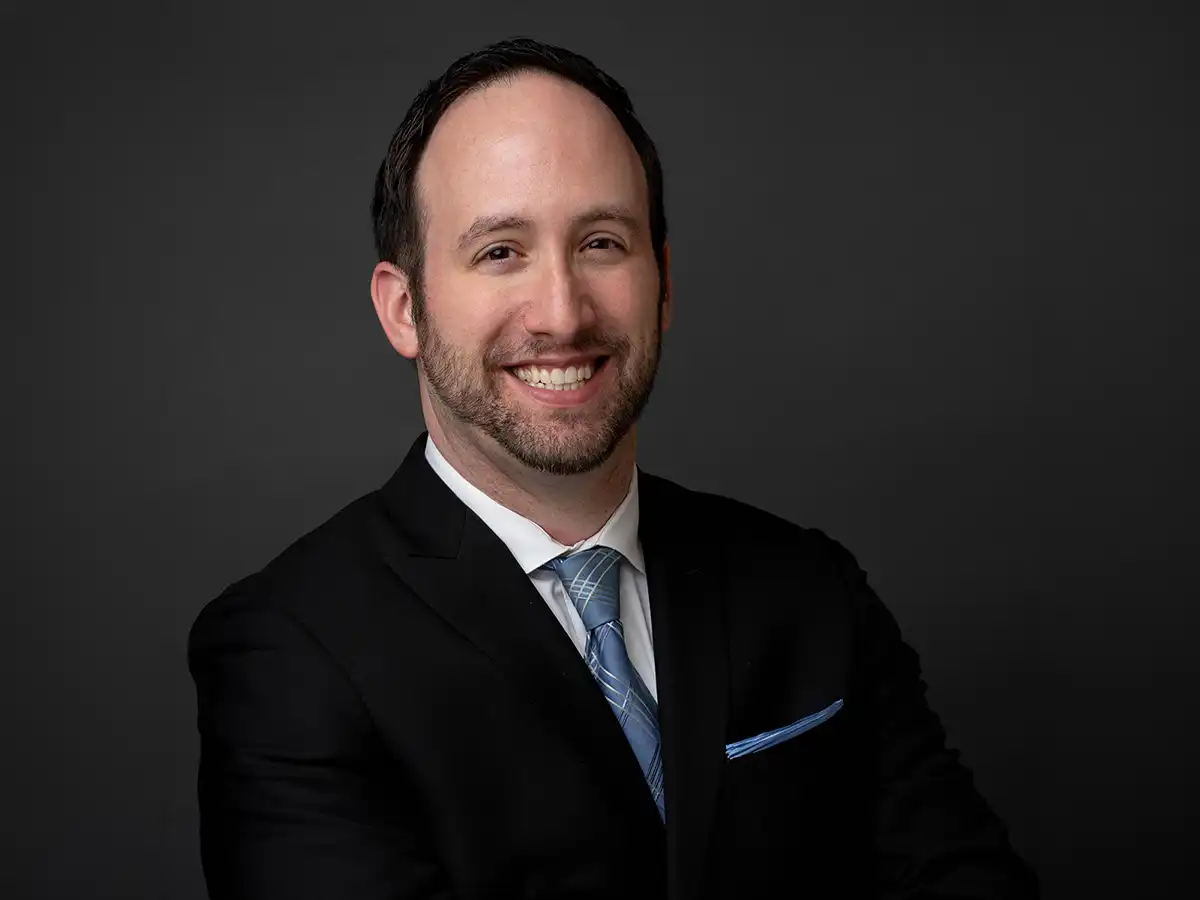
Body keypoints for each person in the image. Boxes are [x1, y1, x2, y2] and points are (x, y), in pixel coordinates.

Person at [187, 37, 1039, 899]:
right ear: (404, 309)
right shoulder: (291, 651)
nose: (562, 313)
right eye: (500, 252)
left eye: (600, 242)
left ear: (662, 284)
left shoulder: (813, 591)